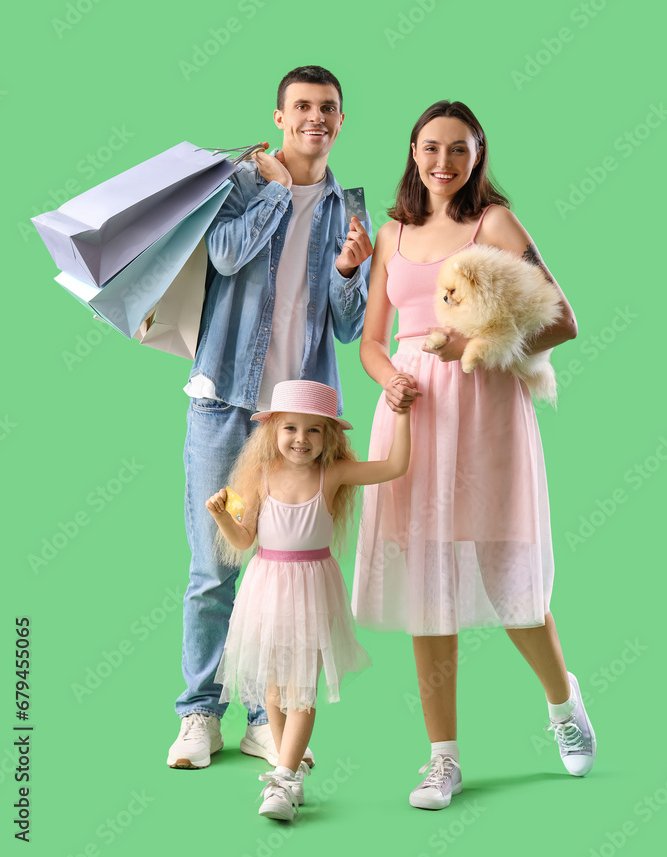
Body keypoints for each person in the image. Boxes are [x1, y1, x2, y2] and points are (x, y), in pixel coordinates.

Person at [352, 99, 596, 810]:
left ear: (477, 155)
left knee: (506, 571)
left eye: (458, 150)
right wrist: (389, 377)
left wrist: (473, 348)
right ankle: (442, 760)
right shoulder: (393, 236)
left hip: (484, 407)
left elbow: (562, 319)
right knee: (427, 586)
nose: (442, 163)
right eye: (431, 148)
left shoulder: (493, 223)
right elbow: (372, 339)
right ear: (412, 150)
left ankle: (561, 705)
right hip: (411, 412)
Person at [167, 66, 373, 770]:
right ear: (280, 118)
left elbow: (348, 329)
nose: (316, 118)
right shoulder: (243, 184)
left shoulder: (351, 209)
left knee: (281, 572)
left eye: (329, 109)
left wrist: (349, 273)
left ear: (340, 121)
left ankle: (264, 716)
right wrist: (279, 193)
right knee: (213, 568)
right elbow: (223, 255)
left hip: (298, 425)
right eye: (303, 108)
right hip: (226, 400)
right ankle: (199, 714)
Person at [205, 379, 413, 821]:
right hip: (266, 589)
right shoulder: (260, 477)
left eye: (314, 430)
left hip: (312, 591)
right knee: (275, 691)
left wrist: (402, 412)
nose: (301, 439)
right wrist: (223, 517)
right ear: (273, 430)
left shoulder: (331, 475)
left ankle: (281, 781)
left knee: (302, 691)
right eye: (291, 429)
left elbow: (395, 465)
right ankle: (288, 770)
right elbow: (243, 541)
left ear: (330, 436)